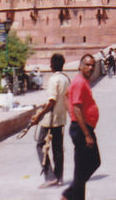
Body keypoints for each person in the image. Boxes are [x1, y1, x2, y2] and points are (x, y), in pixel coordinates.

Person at [62, 54, 101, 200]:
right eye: (87, 64)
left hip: (81, 127)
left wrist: (71, 114)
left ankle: (70, 193)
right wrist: (86, 134)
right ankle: (70, 194)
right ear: (80, 66)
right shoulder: (79, 82)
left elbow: (66, 96)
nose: (90, 68)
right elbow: (77, 108)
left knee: (91, 164)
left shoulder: (80, 81)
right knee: (83, 168)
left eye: (92, 65)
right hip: (82, 129)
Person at [29, 53, 70, 189]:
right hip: (61, 118)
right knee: (57, 149)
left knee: (40, 146)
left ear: (52, 65)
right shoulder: (66, 79)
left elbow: (52, 101)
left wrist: (40, 114)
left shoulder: (53, 80)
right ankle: (59, 177)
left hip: (50, 120)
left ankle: (50, 177)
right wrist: (43, 104)